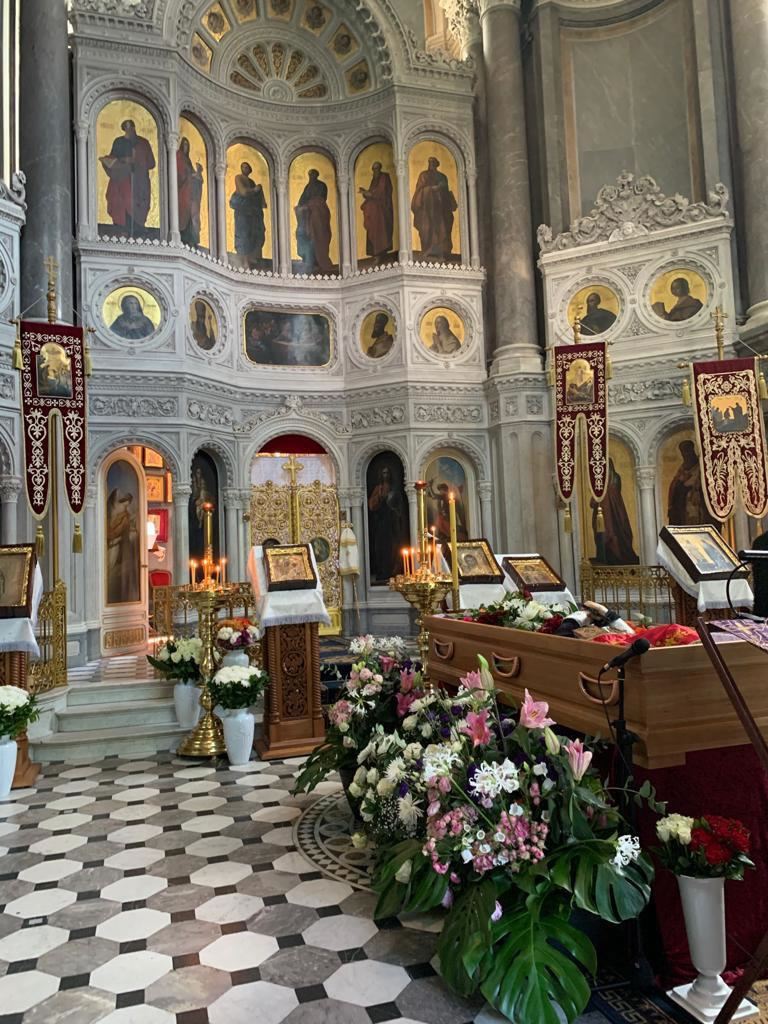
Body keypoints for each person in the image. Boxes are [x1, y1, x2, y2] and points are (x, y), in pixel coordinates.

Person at [100, 119, 156, 233]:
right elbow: (113, 158)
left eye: (131, 128)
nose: (129, 130)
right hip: (122, 178)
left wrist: (139, 162)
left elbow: (151, 163)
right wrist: (123, 160)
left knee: (137, 202)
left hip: (139, 180)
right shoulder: (119, 142)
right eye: (127, 128)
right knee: (122, 200)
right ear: (124, 129)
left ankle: (138, 227)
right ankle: (121, 227)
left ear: (134, 128)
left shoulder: (143, 143)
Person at [591, 459, 639, 565]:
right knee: (603, 534)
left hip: (612, 512)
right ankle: (605, 559)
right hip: (604, 514)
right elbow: (593, 501)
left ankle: (612, 558)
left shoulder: (613, 479)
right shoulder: (602, 480)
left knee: (613, 533)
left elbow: (613, 494)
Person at [411, 156, 458, 260]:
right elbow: (420, 190)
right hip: (427, 209)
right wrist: (432, 189)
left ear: (437, 164)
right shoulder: (424, 175)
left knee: (442, 229)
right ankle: (427, 251)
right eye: (430, 162)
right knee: (427, 229)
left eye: (433, 162)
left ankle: (442, 253)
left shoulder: (442, 176)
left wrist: (441, 188)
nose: (431, 164)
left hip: (441, 210)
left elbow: (446, 192)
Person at [367, 464, 407, 583]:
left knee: (393, 546)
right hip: (381, 521)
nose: (386, 475)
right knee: (380, 547)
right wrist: (379, 496)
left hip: (392, 521)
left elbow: (399, 506)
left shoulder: (394, 488)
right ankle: (382, 571)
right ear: (381, 475)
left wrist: (397, 511)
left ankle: (392, 571)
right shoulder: (378, 488)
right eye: (384, 473)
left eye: (387, 473)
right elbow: (372, 506)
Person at [667, 440, 719, 527]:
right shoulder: (682, 469)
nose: (686, 455)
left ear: (692, 451)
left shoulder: (702, 467)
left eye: (688, 452)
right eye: (684, 453)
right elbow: (675, 487)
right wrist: (682, 488)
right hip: (685, 508)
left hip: (700, 505)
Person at [229, 162, 267, 268]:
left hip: (252, 212)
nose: (246, 169)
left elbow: (258, 199)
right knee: (243, 233)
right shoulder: (238, 178)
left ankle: (251, 257)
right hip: (243, 210)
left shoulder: (251, 181)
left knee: (254, 232)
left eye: (247, 167)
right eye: (244, 167)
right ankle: (243, 260)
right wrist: (255, 190)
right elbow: (243, 192)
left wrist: (259, 195)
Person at [295, 169, 333, 274]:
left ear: (317, 175)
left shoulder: (322, 185)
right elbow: (302, 200)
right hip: (309, 214)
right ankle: (311, 261)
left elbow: (321, 199)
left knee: (320, 236)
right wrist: (302, 207)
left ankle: (321, 261)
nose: (311, 177)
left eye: (313, 175)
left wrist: (308, 205)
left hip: (319, 213)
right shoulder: (308, 187)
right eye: (310, 175)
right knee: (308, 235)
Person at [106, 489, 139, 604]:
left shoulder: (125, 516)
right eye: (123, 504)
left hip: (122, 549)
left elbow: (126, 532)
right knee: (110, 571)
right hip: (114, 547)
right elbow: (112, 532)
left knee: (119, 574)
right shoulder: (116, 516)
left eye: (127, 505)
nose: (125, 507)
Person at [359, 162, 394, 262]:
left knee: (380, 231)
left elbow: (380, 193)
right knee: (374, 229)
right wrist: (365, 192)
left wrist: (367, 193)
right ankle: (376, 253)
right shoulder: (374, 179)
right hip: (374, 210)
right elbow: (372, 193)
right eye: (373, 169)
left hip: (382, 209)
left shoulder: (384, 177)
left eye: (376, 168)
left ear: (380, 168)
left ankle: (380, 253)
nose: (375, 171)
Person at [177, 137, 204, 247]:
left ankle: (192, 238)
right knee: (184, 214)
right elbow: (181, 174)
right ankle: (182, 237)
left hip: (190, 193)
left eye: (187, 145)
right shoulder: (179, 156)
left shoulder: (187, 160)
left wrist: (199, 172)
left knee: (193, 216)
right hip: (183, 192)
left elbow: (195, 177)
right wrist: (193, 174)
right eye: (184, 144)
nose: (186, 147)